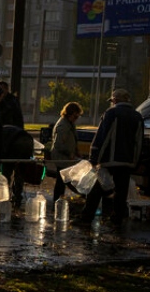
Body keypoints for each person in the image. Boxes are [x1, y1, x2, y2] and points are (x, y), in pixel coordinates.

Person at [77, 88, 144, 227]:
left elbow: (102, 136)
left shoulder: (112, 113)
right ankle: (117, 219)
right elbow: (139, 142)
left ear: (115, 100)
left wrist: (94, 157)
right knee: (121, 192)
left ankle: (86, 218)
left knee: (96, 189)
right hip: (127, 162)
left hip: (109, 161)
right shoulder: (137, 116)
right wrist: (135, 162)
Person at [49, 102, 83, 202]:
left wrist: (76, 151)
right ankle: (58, 201)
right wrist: (69, 153)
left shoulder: (69, 123)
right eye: (75, 116)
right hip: (62, 158)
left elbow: (72, 139)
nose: (76, 118)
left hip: (65, 158)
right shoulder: (63, 125)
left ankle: (59, 200)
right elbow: (59, 144)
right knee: (63, 180)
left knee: (63, 180)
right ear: (70, 113)